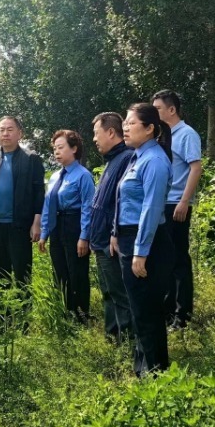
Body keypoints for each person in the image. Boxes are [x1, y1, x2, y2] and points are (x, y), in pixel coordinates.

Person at [110, 103, 174, 377]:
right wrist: (116, 233)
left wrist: (140, 251)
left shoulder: (155, 161)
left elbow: (151, 208)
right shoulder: (137, 157)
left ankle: (156, 372)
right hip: (130, 238)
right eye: (124, 123)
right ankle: (143, 368)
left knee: (147, 310)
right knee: (139, 307)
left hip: (146, 241)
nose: (125, 127)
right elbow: (124, 200)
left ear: (149, 129)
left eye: (130, 123)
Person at [0, 116, 45, 300]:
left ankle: (24, 315)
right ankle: (1, 315)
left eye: (10, 129)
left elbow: (39, 193)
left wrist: (36, 223)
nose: (5, 133)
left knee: (22, 275)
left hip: (20, 227)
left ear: (19, 134)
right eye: (1, 130)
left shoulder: (31, 159)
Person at [152, 90, 202, 330]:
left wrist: (184, 201)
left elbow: (196, 168)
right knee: (165, 260)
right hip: (163, 203)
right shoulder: (163, 136)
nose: (155, 114)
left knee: (179, 260)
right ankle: (167, 310)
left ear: (171, 110)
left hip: (177, 204)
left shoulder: (186, 134)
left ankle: (183, 316)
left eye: (158, 109)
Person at [39, 130, 95, 323]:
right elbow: (48, 206)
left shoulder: (83, 176)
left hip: (75, 224)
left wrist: (84, 236)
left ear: (74, 148)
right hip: (57, 225)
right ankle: (67, 312)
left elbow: (88, 207)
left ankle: (82, 314)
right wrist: (44, 233)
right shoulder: (55, 177)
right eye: (55, 148)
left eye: (61, 147)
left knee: (77, 271)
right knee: (60, 271)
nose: (56, 152)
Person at [90, 113, 133, 343]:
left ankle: (127, 342)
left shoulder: (126, 158)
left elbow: (122, 202)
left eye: (96, 133)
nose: (94, 139)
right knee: (108, 292)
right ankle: (112, 338)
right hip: (100, 240)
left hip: (111, 241)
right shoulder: (111, 160)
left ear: (110, 132)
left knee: (119, 294)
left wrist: (113, 234)